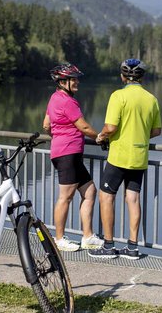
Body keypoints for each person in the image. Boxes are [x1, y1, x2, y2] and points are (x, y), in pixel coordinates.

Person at [89, 58, 162, 260]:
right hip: (139, 156)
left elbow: (111, 127)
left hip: (119, 156)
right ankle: (132, 247)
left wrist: (101, 136)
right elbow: (156, 131)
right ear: (142, 78)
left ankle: (109, 246)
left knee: (106, 196)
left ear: (123, 77)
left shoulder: (118, 96)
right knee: (133, 199)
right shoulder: (151, 99)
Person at [43, 63, 104, 251]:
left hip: (68, 153)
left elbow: (46, 125)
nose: (77, 82)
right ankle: (59, 239)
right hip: (67, 154)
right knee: (65, 197)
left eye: (77, 78)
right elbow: (84, 127)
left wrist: (59, 134)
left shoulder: (54, 98)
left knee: (89, 191)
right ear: (62, 82)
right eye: (73, 79)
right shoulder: (67, 101)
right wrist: (99, 137)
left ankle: (88, 237)